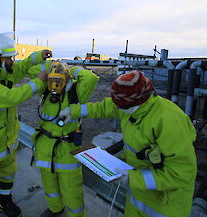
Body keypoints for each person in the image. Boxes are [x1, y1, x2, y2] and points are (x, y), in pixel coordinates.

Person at [59, 70, 197, 217]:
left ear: (139, 101)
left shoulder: (169, 121)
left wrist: (135, 178)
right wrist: (73, 111)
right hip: (137, 195)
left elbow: (181, 173)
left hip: (166, 205)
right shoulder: (129, 105)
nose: (118, 109)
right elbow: (103, 107)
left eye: (121, 107)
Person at [0, 33, 51, 217]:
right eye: (9, 57)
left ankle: (4, 203)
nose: (12, 61)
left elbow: (21, 66)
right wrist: (39, 81)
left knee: (7, 173)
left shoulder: (3, 73)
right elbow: (12, 97)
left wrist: (38, 56)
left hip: (7, 140)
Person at [28, 61, 99, 217]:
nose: (54, 85)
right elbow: (31, 70)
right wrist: (50, 67)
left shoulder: (75, 93)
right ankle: (55, 209)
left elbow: (91, 78)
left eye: (59, 81)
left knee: (72, 190)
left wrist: (69, 70)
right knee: (49, 185)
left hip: (67, 149)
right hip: (44, 147)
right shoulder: (45, 92)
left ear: (66, 80)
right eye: (51, 80)